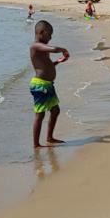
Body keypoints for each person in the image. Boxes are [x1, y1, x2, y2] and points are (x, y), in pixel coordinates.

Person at [29, 20, 69, 148]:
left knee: (55, 110)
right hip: (40, 85)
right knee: (40, 114)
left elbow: (47, 65)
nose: (50, 37)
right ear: (41, 33)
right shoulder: (35, 46)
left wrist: (58, 61)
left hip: (48, 85)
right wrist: (62, 49)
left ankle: (50, 137)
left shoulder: (43, 49)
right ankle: (36, 144)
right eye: (49, 34)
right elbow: (54, 49)